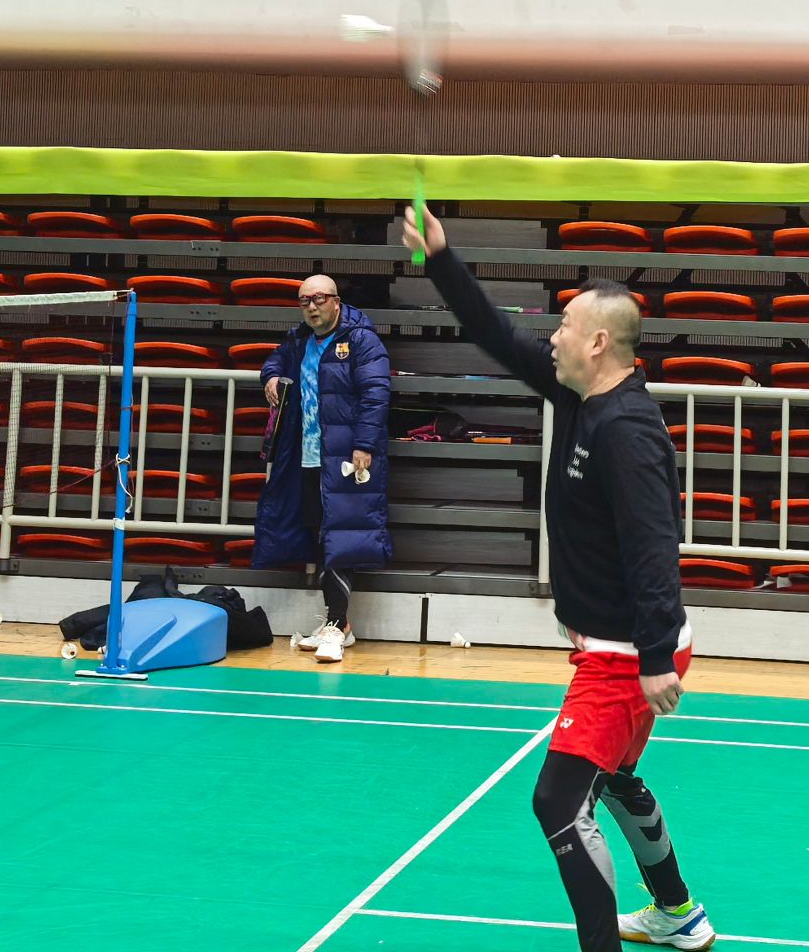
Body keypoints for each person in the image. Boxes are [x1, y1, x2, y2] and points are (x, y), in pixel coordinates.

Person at [404, 206, 715, 952]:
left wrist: (652, 657)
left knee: (558, 802)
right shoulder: (577, 394)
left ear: (599, 342)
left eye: (566, 325)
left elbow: (653, 548)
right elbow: (496, 335)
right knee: (614, 780)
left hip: (625, 653)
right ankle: (677, 912)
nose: (552, 335)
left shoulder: (626, 432)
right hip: (618, 643)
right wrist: (441, 258)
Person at [252, 272, 391, 663]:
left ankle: (336, 624)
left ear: (336, 301)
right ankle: (339, 624)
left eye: (319, 299)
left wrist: (364, 444)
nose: (312, 307)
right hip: (307, 456)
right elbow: (275, 359)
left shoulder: (361, 340)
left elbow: (376, 394)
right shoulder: (299, 340)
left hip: (348, 457)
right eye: (305, 301)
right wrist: (272, 376)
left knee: (342, 538)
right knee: (320, 536)